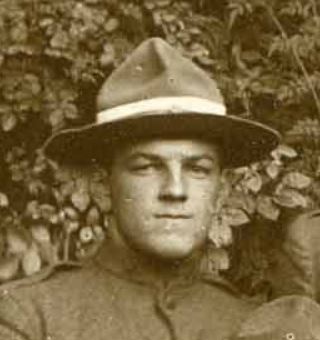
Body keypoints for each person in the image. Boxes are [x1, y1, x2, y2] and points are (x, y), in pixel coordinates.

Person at [0, 37, 319, 340]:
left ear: (220, 193)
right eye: (146, 167)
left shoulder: (249, 325)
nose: (175, 190)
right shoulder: (30, 317)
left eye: (197, 169)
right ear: (101, 187)